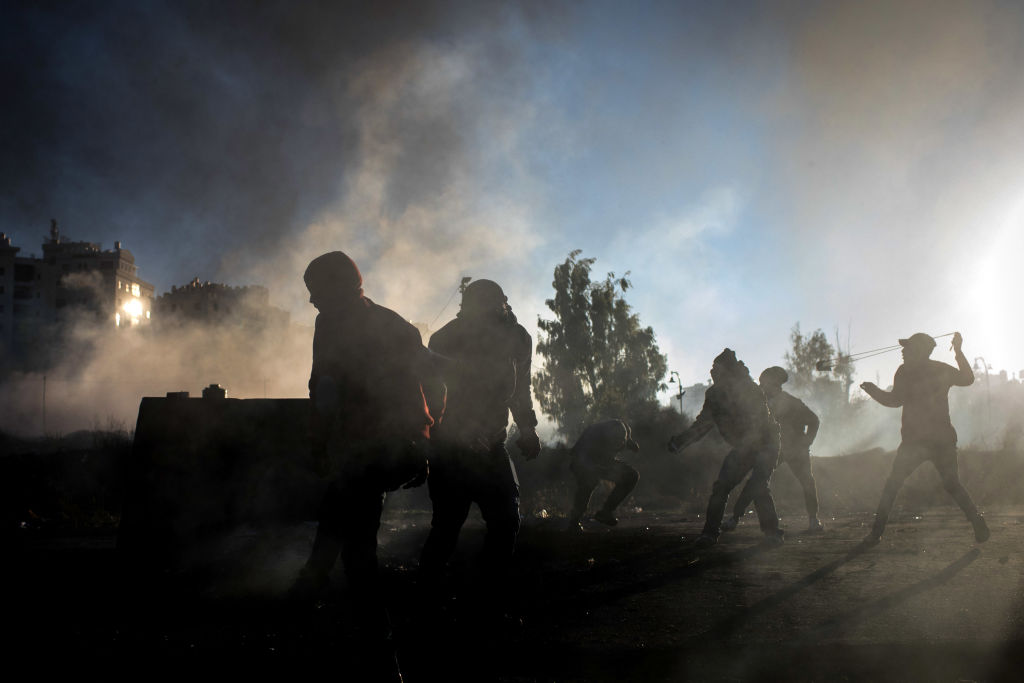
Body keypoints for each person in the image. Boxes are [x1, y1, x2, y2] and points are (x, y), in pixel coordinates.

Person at [291, 251, 435, 681]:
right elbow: (432, 378)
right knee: (337, 525)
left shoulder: (337, 323)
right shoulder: (392, 322)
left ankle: (379, 654)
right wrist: (426, 435)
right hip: (390, 447)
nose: (312, 301)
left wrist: (318, 443)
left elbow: (324, 387)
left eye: (315, 291)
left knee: (355, 550)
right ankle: (307, 600)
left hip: (367, 450)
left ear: (335, 287)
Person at [418, 279, 541, 617]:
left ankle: (486, 598)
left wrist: (527, 428)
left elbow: (521, 388)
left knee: (506, 521)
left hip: (492, 444)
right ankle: (427, 601)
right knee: (446, 526)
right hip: (451, 447)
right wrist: (458, 430)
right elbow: (434, 395)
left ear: (503, 304)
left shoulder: (517, 338)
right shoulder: (445, 339)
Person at [860, 332, 989, 545]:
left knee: (893, 483)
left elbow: (895, 401)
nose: (902, 351)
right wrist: (957, 350)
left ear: (918, 350)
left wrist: (873, 391)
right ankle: (977, 522)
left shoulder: (905, 371)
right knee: (952, 484)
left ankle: (876, 532)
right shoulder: (940, 369)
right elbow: (968, 379)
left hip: (915, 441)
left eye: (907, 348)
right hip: (942, 439)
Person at [667, 349, 783, 548]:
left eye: (716, 368)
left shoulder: (750, 389)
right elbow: (703, 424)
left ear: (727, 370)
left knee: (759, 487)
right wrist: (680, 441)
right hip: (745, 447)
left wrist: (748, 446)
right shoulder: (714, 394)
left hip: (766, 444)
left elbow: (760, 423)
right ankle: (710, 533)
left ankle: (772, 533)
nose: (713, 371)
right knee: (722, 487)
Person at [722, 366, 824, 533]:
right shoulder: (763, 404)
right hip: (775, 448)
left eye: (764, 383)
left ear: (774, 384)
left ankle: (813, 520)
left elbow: (813, 420)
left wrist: (806, 442)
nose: (762, 386)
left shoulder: (792, 403)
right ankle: (735, 517)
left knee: (806, 482)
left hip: (796, 449)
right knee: (757, 481)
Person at [566, 419, 640, 532]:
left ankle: (606, 512)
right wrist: (594, 468)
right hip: (584, 460)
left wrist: (632, 445)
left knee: (631, 476)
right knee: (588, 482)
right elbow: (580, 457)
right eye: (615, 441)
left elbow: (625, 441)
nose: (618, 444)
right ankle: (574, 521)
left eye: (621, 441)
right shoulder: (594, 438)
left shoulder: (622, 432)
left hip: (601, 460)